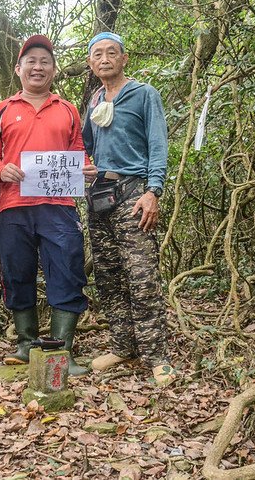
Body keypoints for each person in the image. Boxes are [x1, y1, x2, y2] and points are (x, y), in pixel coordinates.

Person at [0, 35, 97, 376]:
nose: (38, 67)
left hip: (58, 205)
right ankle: (26, 343)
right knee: (17, 272)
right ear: (19, 69)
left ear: (53, 69)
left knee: (66, 270)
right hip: (13, 205)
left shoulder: (67, 110)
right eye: (31, 61)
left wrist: (85, 167)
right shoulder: (1, 110)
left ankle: (62, 350)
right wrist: (0, 169)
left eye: (45, 61)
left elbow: (77, 150)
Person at [82, 31, 176, 386]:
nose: (104, 59)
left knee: (142, 276)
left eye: (111, 53)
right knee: (108, 275)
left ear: (124, 58)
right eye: (97, 55)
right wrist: (91, 166)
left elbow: (157, 145)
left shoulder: (144, 94)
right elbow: (91, 145)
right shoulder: (93, 101)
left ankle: (156, 356)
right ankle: (123, 345)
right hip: (100, 193)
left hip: (134, 193)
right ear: (91, 63)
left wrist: (154, 190)